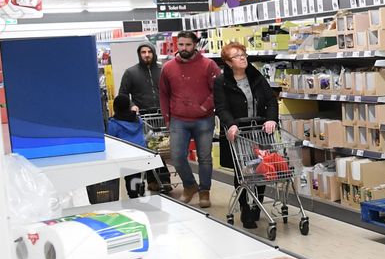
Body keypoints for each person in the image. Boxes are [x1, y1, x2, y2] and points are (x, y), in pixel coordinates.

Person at [214, 42, 280, 229]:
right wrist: (231, 124)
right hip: (239, 132)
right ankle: (244, 206)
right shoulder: (221, 82)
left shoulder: (256, 76)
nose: (242, 57)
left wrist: (271, 119)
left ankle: (257, 202)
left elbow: (270, 100)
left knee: (262, 167)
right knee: (242, 170)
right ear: (228, 62)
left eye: (243, 54)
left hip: (259, 130)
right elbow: (221, 107)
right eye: (237, 55)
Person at [159, 31, 220, 208]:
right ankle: (189, 185)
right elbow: (164, 94)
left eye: (188, 45)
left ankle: (204, 191)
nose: (184, 48)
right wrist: (167, 117)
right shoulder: (168, 68)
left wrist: (205, 106)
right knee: (177, 157)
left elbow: (217, 90)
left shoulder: (209, 65)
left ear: (195, 45)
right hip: (178, 119)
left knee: (205, 158)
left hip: (204, 120)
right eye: (181, 45)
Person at [116, 43, 171, 192]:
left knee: (162, 148)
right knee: (150, 148)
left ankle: (159, 179)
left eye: (149, 52)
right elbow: (123, 94)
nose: (146, 54)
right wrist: (132, 105)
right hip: (144, 117)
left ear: (154, 53)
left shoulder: (163, 70)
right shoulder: (131, 72)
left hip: (162, 114)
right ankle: (160, 179)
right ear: (139, 54)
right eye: (143, 52)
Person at [104, 96, 149, 199]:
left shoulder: (114, 124)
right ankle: (139, 186)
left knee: (129, 175)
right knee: (136, 172)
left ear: (115, 107)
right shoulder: (137, 119)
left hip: (126, 155)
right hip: (141, 151)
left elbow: (111, 138)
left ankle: (133, 194)